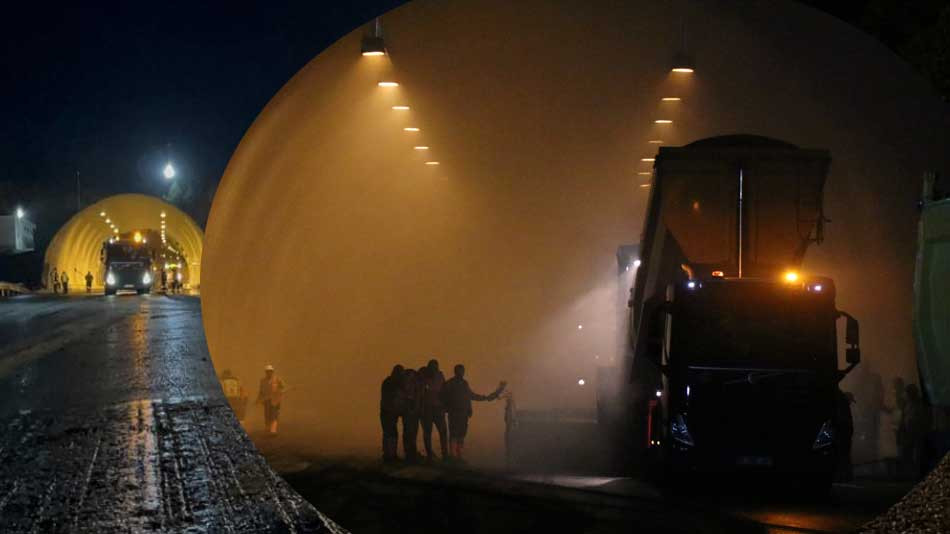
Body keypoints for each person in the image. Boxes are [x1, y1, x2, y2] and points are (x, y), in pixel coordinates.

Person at [440, 364, 506, 462]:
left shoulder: (463, 383)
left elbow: (469, 396)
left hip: (463, 413)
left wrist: (469, 409)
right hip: (454, 413)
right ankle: (453, 456)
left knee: (461, 434)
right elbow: (444, 396)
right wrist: (447, 408)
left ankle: (458, 455)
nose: (462, 373)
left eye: (462, 371)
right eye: (460, 371)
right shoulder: (450, 383)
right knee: (454, 434)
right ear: (456, 372)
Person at [419, 359, 449, 462]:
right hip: (427, 408)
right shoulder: (423, 377)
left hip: (437, 408)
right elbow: (421, 392)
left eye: (435, 367)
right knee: (428, 432)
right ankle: (430, 455)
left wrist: (445, 405)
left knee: (442, 432)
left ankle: (444, 455)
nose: (434, 369)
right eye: (433, 367)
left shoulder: (440, 375)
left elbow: (444, 390)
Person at [900, 384, 932, 477]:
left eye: (907, 392)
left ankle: (918, 473)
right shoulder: (908, 404)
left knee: (918, 453)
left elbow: (921, 418)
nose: (905, 395)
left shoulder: (919, 404)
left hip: (917, 431)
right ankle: (911, 473)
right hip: (910, 431)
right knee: (909, 452)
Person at [380, 365, 405, 463]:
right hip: (387, 412)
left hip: (390, 412)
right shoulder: (390, 383)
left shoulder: (391, 382)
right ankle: (388, 455)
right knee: (390, 434)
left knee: (391, 434)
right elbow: (389, 398)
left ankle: (390, 455)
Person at [256, 364, 287, 435]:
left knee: (274, 415)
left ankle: (273, 430)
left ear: (272, 372)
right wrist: (258, 399)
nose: (269, 373)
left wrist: (279, 392)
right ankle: (267, 429)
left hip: (275, 400)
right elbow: (261, 391)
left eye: (270, 371)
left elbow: (283, 387)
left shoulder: (277, 379)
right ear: (265, 372)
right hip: (266, 401)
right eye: (267, 371)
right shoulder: (262, 381)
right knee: (267, 415)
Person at [401, 368, 423, 462]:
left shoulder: (415, 385)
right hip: (409, 410)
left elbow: (418, 397)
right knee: (409, 432)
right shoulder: (408, 385)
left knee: (412, 432)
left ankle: (411, 453)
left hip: (413, 410)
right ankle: (409, 453)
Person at [835, 390, 855, 481]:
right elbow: (845, 424)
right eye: (850, 401)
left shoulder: (842, 408)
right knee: (843, 455)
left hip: (843, 436)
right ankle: (844, 474)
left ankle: (844, 474)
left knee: (843, 455)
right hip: (843, 436)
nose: (851, 403)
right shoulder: (843, 409)